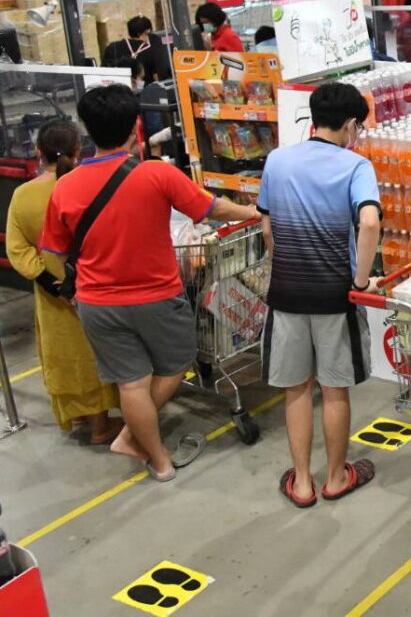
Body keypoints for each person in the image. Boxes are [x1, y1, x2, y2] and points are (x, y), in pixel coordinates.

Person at [41, 85, 256, 481]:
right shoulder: (157, 173)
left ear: (87, 129)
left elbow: (52, 253)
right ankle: (128, 436)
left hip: (97, 303)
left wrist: (75, 288)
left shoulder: (65, 187)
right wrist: (255, 212)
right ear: (134, 128)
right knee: (176, 364)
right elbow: (212, 209)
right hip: (156, 295)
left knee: (131, 383)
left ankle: (158, 460)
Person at [258, 82, 382, 507]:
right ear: (349, 124)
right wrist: (361, 282)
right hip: (335, 297)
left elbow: (267, 227)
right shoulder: (356, 166)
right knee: (334, 390)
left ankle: (302, 483)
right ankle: (335, 477)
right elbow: (369, 223)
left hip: (287, 293)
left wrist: (286, 261)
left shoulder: (277, 159)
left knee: (295, 389)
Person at [6, 119, 121, 442]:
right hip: (91, 285)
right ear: (77, 150)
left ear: (38, 151)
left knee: (63, 354)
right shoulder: (87, 186)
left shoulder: (22, 195)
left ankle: (78, 415)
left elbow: (17, 248)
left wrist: (47, 280)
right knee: (93, 351)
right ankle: (101, 425)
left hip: (51, 294)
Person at [102, 15, 170, 82]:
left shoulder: (112, 47)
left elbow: (104, 72)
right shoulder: (151, 50)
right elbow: (157, 77)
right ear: (146, 31)